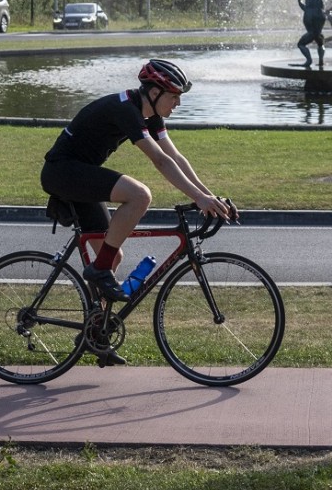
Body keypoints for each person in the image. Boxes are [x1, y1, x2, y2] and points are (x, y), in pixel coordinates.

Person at [41, 59, 236, 305]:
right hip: (62, 171)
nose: (178, 103)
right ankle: (99, 271)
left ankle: (95, 331)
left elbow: (175, 157)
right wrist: (198, 198)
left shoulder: (151, 114)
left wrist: (210, 197)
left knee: (111, 257)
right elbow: (160, 161)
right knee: (140, 195)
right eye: (174, 96)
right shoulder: (125, 109)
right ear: (154, 92)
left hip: (79, 173)